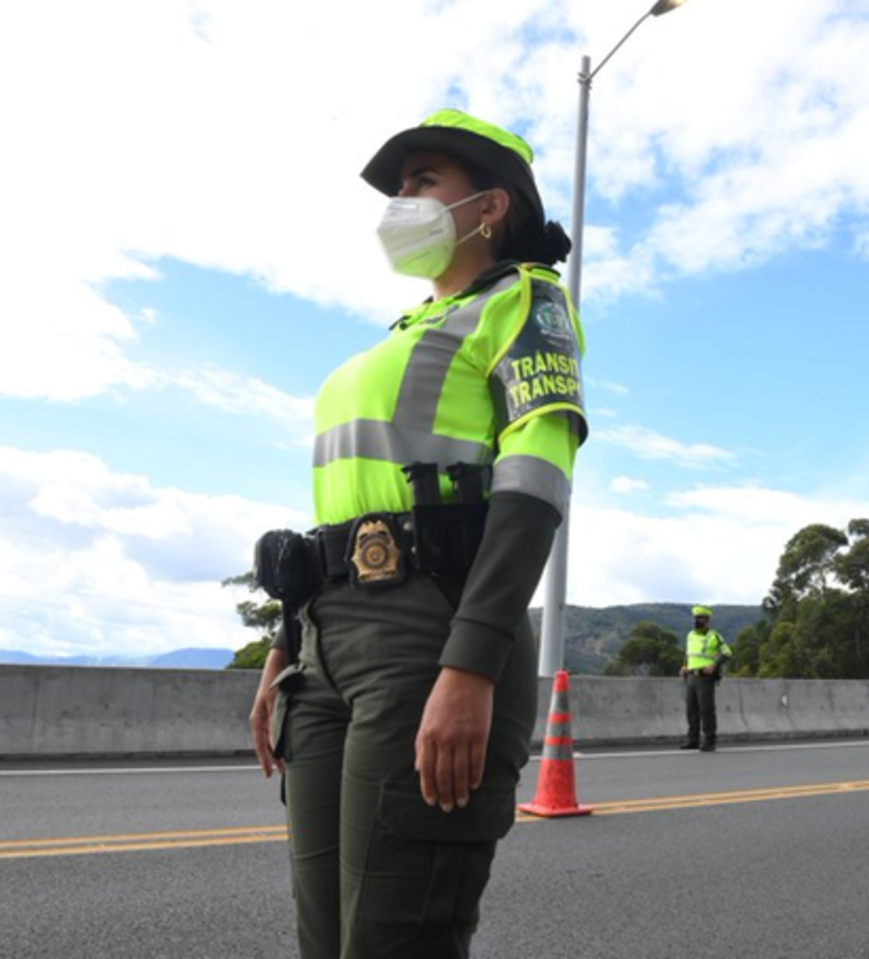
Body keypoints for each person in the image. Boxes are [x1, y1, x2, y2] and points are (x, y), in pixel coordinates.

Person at [246, 108, 584, 958]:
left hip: (426, 632)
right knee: (325, 938)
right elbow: (348, 509)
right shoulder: (404, 332)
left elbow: (535, 484)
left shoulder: (524, 301)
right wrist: (288, 646)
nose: (402, 202)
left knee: (396, 939)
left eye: (423, 182)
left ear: (490, 206)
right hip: (326, 642)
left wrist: (470, 663)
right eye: (398, 188)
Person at [678, 605, 732, 752]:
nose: (697, 621)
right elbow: (688, 654)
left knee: (706, 709)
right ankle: (693, 739)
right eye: (695, 618)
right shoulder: (690, 635)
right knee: (691, 710)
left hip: (705, 677)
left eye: (700, 618)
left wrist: (714, 665)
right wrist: (684, 666)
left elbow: (727, 653)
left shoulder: (714, 636)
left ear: (707, 620)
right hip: (690, 676)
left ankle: (709, 740)